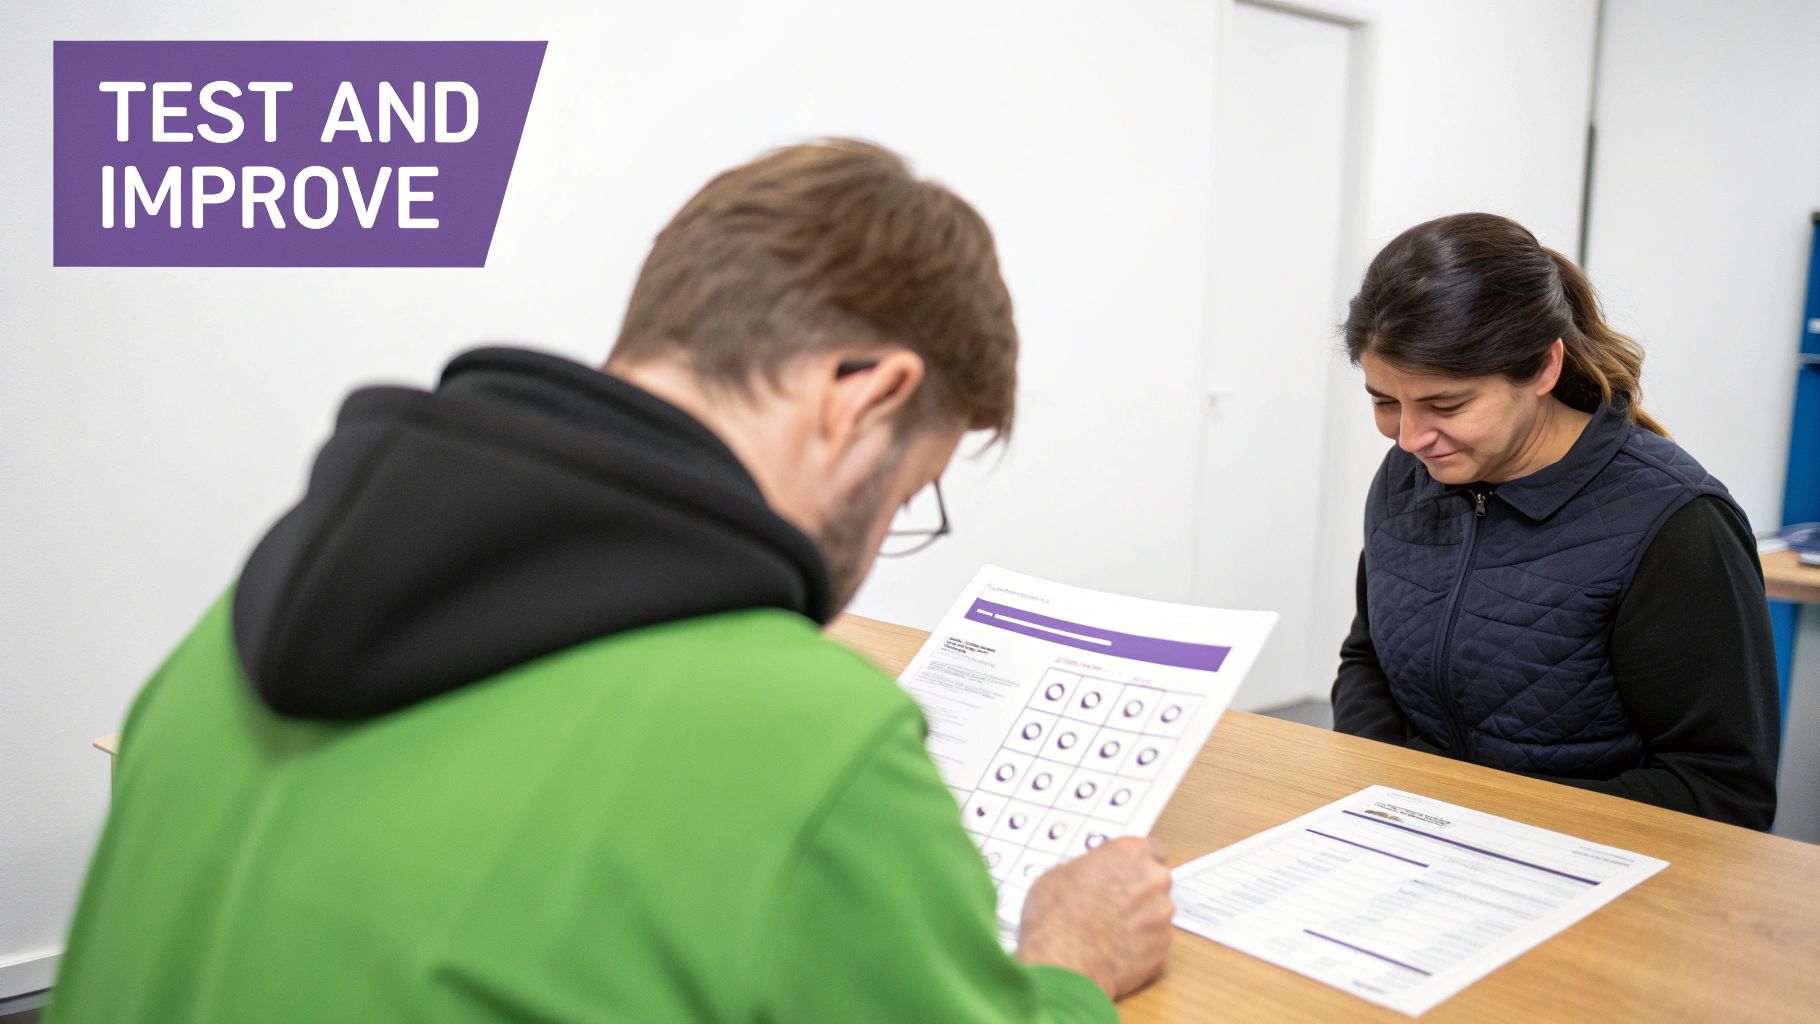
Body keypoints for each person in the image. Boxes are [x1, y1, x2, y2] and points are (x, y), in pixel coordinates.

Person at [50, 140, 1172, 1023]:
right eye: (904, 495)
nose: (879, 540)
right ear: (861, 394)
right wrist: (1065, 960)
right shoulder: (807, 735)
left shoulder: (244, 618)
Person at [1331, 212, 1780, 830]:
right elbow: (1367, 660)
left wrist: (1479, 821)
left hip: (1591, 870)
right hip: (1420, 843)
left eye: (1447, 404)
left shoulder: (1676, 524)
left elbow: (1720, 792)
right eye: (1385, 402)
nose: (1409, 437)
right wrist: (1384, 791)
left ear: (1543, 367)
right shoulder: (1411, 476)